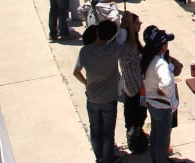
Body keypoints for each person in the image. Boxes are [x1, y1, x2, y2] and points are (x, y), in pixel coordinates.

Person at [73, 18, 129, 163]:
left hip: (92, 97)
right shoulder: (114, 51)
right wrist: (123, 26)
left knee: (95, 131)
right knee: (108, 132)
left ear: (97, 32)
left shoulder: (85, 51)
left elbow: (76, 72)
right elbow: (127, 44)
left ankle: (99, 157)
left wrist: (87, 83)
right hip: (109, 99)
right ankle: (108, 159)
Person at [141, 26, 177, 163]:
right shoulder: (160, 64)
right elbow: (166, 83)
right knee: (162, 140)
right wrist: (163, 92)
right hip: (162, 106)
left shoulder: (147, 59)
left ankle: (155, 159)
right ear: (162, 46)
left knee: (155, 135)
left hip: (152, 104)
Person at [119, 13, 148, 154]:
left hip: (137, 84)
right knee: (134, 114)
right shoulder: (125, 40)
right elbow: (131, 47)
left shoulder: (133, 39)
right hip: (132, 85)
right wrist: (129, 24)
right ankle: (134, 138)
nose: (140, 25)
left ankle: (137, 134)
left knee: (139, 113)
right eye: (137, 23)